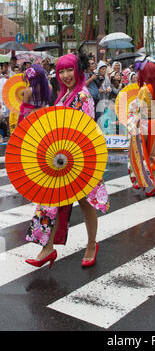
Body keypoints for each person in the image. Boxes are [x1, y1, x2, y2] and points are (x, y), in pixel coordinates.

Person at [25, 53, 110, 269]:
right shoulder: (63, 96)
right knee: (51, 200)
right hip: (62, 159)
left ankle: (91, 245)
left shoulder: (82, 96)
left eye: (69, 70)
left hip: (81, 160)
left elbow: (85, 130)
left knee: (85, 203)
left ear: (78, 70)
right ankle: (47, 248)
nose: (65, 75)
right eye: (61, 71)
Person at [127, 59, 155, 197]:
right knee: (154, 156)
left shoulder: (144, 89)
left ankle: (146, 182)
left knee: (141, 154)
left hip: (146, 124)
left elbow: (139, 108)